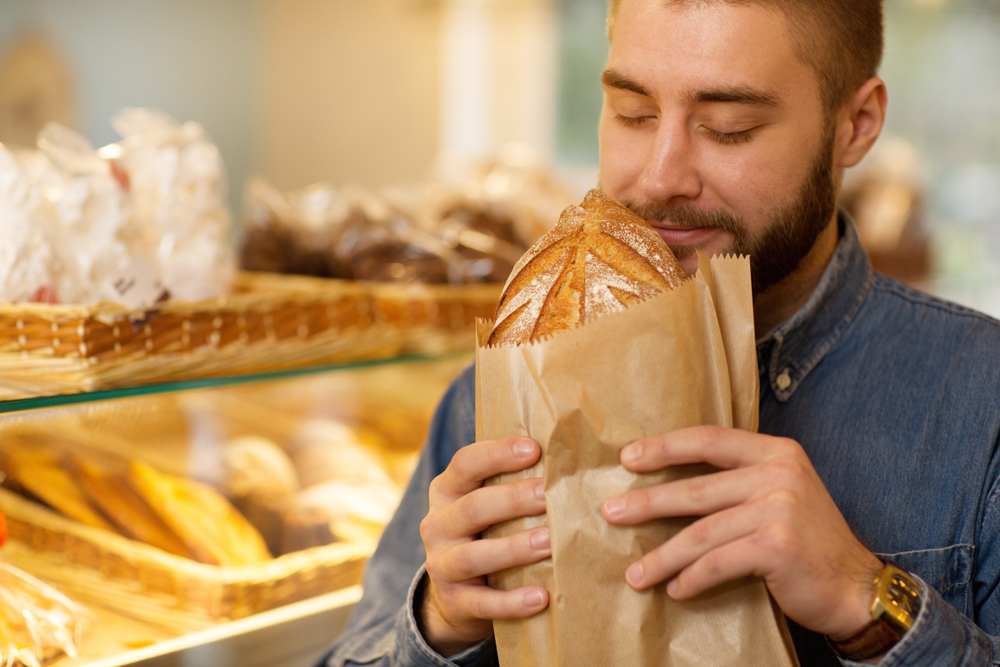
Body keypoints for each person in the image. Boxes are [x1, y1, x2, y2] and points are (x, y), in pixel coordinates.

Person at [321, 0, 1000, 664]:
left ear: (856, 123)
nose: (659, 176)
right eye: (633, 113)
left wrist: (868, 601)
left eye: (728, 126)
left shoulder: (981, 399)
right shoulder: (498, 390)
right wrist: (440, 622)